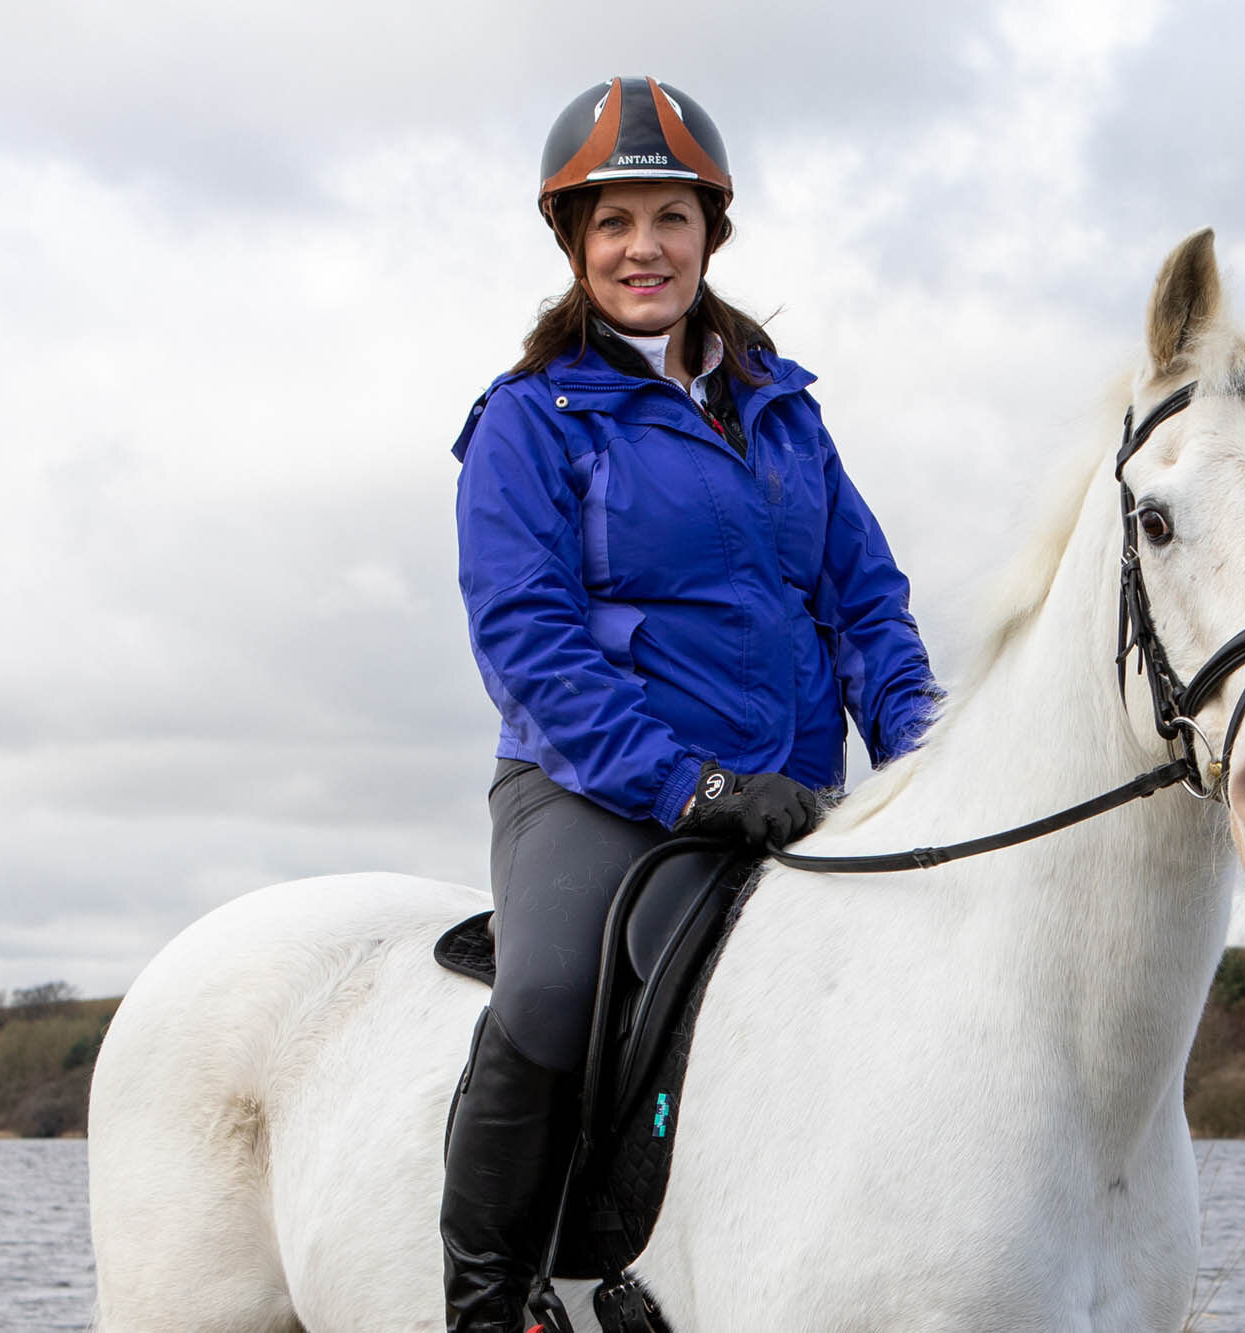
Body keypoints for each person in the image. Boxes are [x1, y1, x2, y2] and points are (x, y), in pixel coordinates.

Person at [440, 76, 941, 1331]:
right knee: (552, 986)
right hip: (596, 782)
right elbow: (528, 643)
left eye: (667, 216)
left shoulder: (784, 413)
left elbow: (866, 601)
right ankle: (491, 1302)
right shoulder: (527, 422)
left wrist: (919, 762)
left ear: (710, 231)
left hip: (792, 794)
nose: (641, 247)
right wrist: (691, 786)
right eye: (611, 223)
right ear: (574, 244)